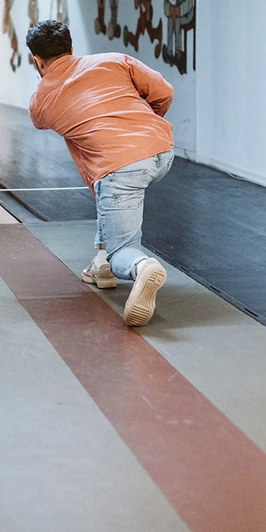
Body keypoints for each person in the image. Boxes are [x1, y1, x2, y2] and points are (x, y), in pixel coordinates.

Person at [26, 20, 174, 327]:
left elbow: (46, 120)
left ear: (37, 61)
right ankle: (100, 265)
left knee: (123, 248)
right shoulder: (115, 60)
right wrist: (141, 132)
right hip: (162, 150)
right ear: (71, 47)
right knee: (108, 194)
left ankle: (140, 266)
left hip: (122, 169)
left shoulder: (41, 103)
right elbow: (164, 92)